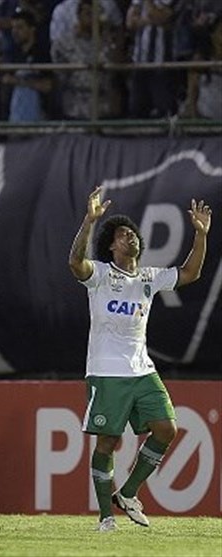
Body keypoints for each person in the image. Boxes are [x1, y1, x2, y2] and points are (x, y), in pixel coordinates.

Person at [68, 186, 212, 532]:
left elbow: (190, 273)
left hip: (142, 370)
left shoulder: (148, 277)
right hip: (106, 372)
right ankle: (106, 518)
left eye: (131, 233)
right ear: (111, 246)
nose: (129, 236)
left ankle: (129, 493)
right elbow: (75, 263)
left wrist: (201, 235)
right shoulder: (101, 275)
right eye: (121, 234)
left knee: (167, 428)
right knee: (107, 443)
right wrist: (89, 221)